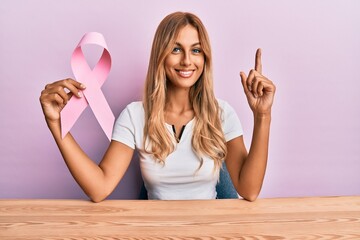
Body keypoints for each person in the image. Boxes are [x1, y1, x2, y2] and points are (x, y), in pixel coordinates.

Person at [39, 12, 276, 202]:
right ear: (160, 56)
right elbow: (99, 188)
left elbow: (250, 190)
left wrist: (262, 115)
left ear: (205, 59)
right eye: (175, 49)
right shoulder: (134, 116)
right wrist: (56, 124)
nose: (186, 60)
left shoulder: (222, 113)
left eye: (196, 50)